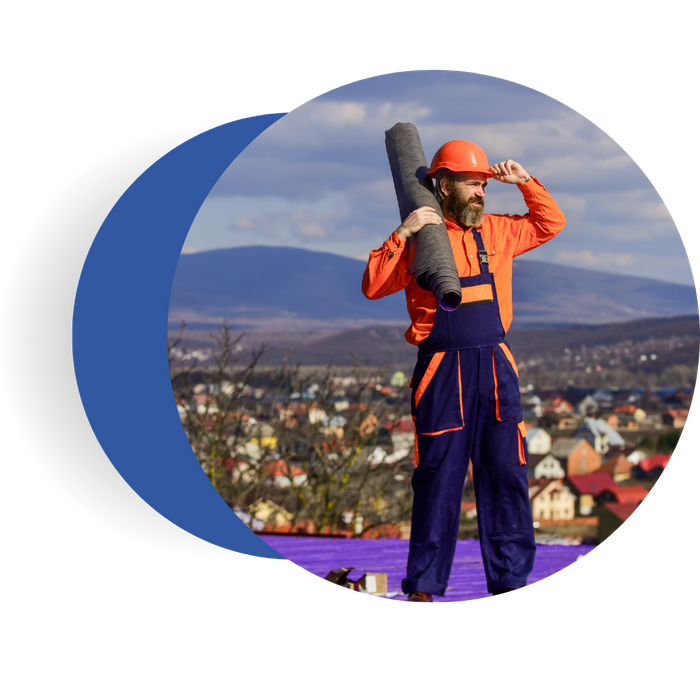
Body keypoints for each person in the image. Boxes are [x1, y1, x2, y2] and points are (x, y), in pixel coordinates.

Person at [362, 140, 567, 604]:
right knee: (438, 477)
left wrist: (526, 183)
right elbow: (373, 286)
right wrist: (406, 230)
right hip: (441, 369)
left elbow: (551, 223)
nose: (481, 193)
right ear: (445, 184)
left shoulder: (498, 230)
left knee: (507, 473)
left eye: (484, 185)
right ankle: (425, 589)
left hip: (495, 364)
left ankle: (511, 580)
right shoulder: (421, 240)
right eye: (474, 184)